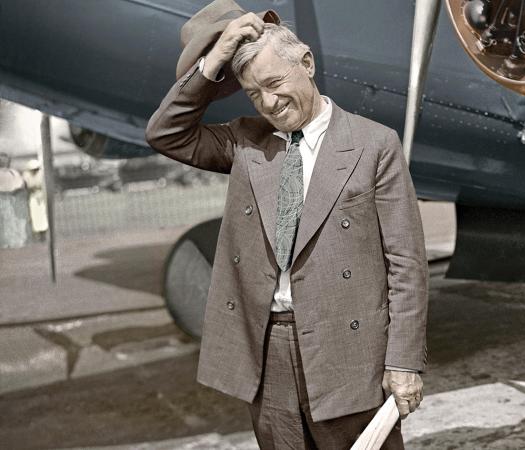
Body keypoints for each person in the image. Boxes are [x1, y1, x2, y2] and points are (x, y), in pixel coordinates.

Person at [145, 1, 428, 448]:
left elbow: (406, 264)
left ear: (307, 64)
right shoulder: (245, 142)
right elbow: (166, 134)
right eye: (255, 94)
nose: (270, 103)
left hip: (349, 350)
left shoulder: (374, 144)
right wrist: (213, 63)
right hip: (270, 350)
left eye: (276, 83)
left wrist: (405, 363)